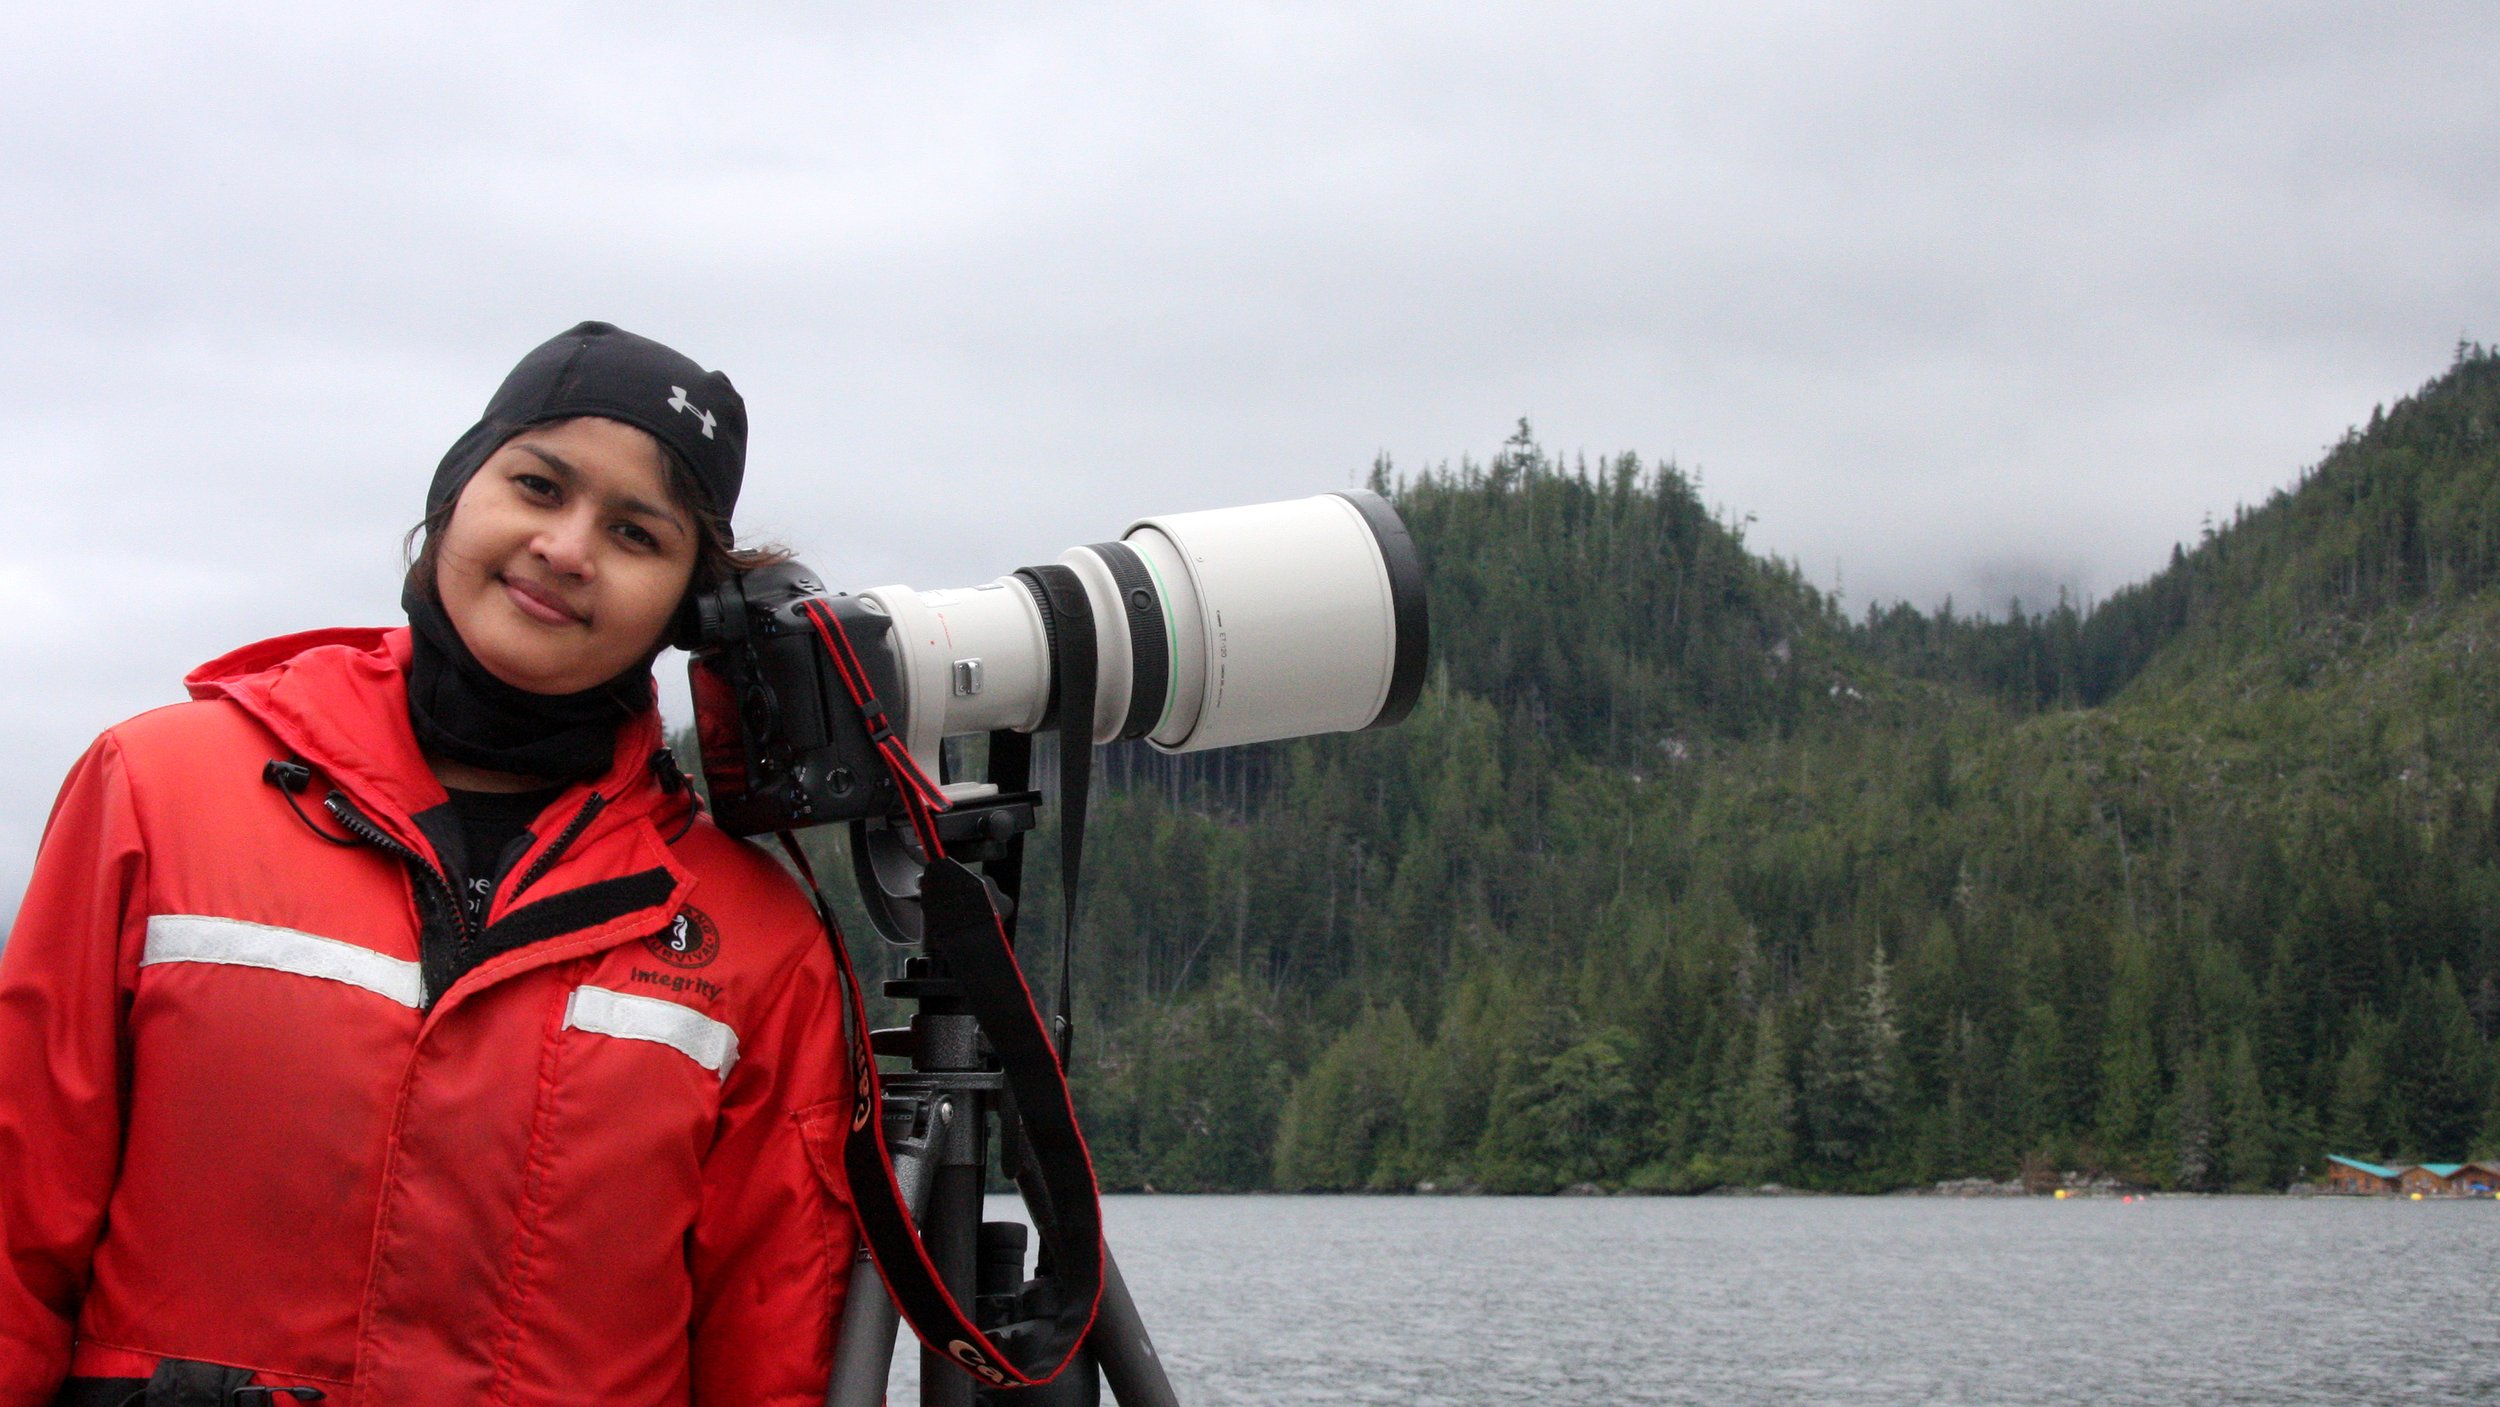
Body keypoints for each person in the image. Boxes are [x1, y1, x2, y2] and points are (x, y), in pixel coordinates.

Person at [0, 323, 861, 1406]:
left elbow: (766, 1344)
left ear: (691, 609)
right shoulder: (156, 792)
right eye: (539, 485)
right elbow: (16, 1221)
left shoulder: (756, 939)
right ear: (457, 490)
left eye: (637, 535)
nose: (566, 548)